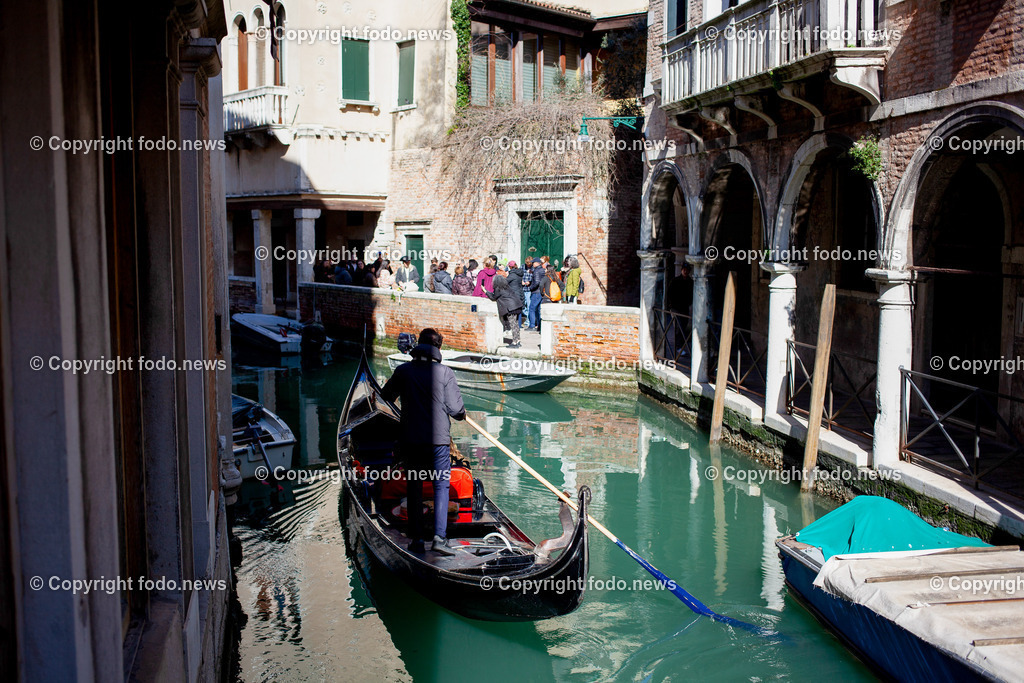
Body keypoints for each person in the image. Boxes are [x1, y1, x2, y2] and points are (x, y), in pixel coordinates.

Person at [381, 328, 465, 556]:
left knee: (415, 487)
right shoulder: (445, 373)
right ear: (439, 348)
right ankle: (439, 538)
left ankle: (417, 540)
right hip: (438, 442)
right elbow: (456, 410)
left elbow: (385, 397)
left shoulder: (403, 371)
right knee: (440, 486)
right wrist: (460, 412)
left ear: (419, 344)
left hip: (411, 439)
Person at [487, 264, 523, 349]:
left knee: (513, 324)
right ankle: (518, 340)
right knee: (515, 324)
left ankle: (514, 342)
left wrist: (486, 291)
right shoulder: (506, 287)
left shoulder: (498, 288)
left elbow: (493, 297)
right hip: (516, 305)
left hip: (511, 307)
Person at [538, 264, 564, 332]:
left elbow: (541, 285)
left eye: (546, 269)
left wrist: (542, 293)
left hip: (547, 298)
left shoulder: (546, 278)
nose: (545, 270)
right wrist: (558, 292)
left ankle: (542, 330)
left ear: (548, 270)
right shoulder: (556, 278)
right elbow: (562, 286)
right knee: (553, 316)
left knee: (543, 315)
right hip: (554, 300)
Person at [505, 260, 526, 327]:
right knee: (519, 310)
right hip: (520, 292)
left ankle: (514, 325)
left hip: (514, 294)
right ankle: (519, 324)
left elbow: (505, 282)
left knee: (514, 311)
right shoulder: (519, 273)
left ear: (510, 267)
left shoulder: (512, 275)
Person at [526, 258, 545, 330]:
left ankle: (532, 325)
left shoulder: (536, 271)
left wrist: (531, 287)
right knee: (538, 309)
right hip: (541, 291)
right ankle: (539, 326)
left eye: (533, 262)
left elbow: (537, 282)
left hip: (536, 292)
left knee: (532, 308)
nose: (532, 264)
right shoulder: (542, 270)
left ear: (537, 263)